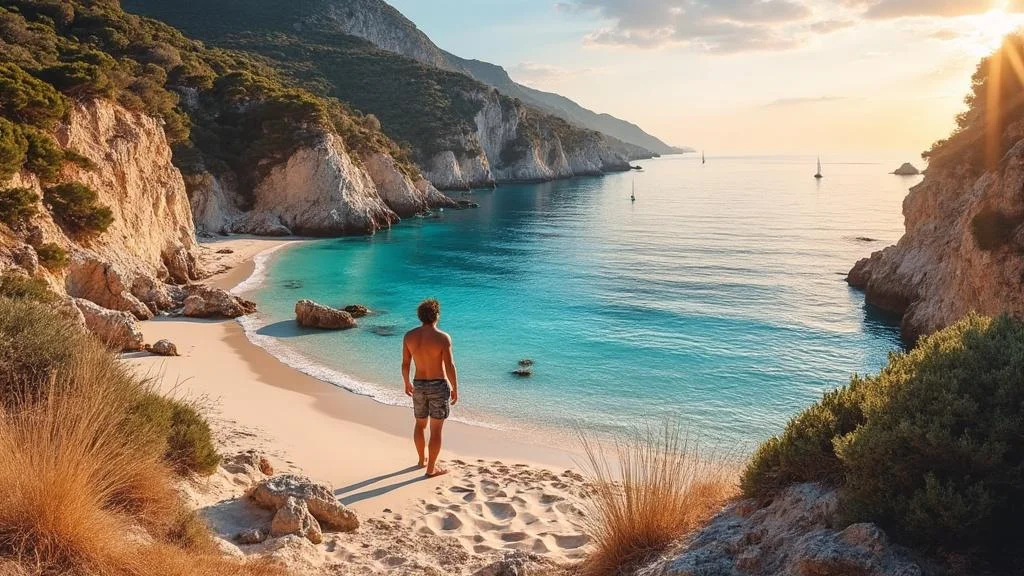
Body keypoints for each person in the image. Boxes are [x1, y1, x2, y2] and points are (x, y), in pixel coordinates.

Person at [402, 298, 459, 477]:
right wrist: (455, 388)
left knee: (420, 425)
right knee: (436, 429)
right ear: (436, 316)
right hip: (438, 385)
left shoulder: (409, 336)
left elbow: (405, 364)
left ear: (420, 316)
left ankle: (421, 460)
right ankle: (431, 468)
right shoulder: (443, 338)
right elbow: (449, 366)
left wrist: (406, 382)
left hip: (418, 384)